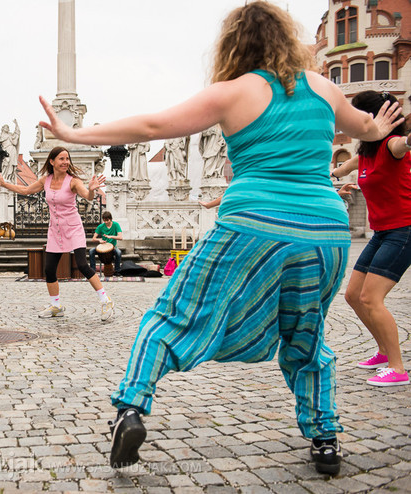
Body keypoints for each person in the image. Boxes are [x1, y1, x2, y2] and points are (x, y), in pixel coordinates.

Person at [38, 1, 403, 475]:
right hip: (325, 231)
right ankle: (325, 438)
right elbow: (367, 128)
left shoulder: (232, 93)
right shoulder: (324, 88)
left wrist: (72, 132)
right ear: (288, 40)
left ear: (233, 45)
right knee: (306, 334)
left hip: (255, 222)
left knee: (175, 314)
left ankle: (131, 406)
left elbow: (151, 126)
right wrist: (381, 125)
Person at [330, 91, 411, 387]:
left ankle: (398, 368)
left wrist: (398, 129)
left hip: (404, 230)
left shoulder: (392, 145)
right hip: (382, 233)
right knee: (353, 296)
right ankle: (383, 351)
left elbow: (405, 143)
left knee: (371, 298)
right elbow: (335, 171)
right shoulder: (363, 154)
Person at [0, 147, 114, 321]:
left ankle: (106, 300)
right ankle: (56, 306)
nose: (65, 162)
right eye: (61, 159)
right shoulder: (45, 180)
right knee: (49, 269)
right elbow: (26, 191)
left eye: (67, 159)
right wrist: (4, 183)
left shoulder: (73, 181)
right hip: (55, 230)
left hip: (73, 228)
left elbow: (87, 195)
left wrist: (92, 189)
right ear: (52, 161)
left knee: (82, 265)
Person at [89, 211, 123, 276]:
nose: (106, 222)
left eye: (107, 220)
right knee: (91, 251)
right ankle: (92, 270)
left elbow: (120, 237)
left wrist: (111, 236)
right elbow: (93, 238)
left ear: (110, 219)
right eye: (104, 221)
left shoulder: (116, 225)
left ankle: (117, 271)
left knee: (118, 252)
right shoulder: (101, 226)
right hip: (102, 247)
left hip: (112, 247)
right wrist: (99, 240)